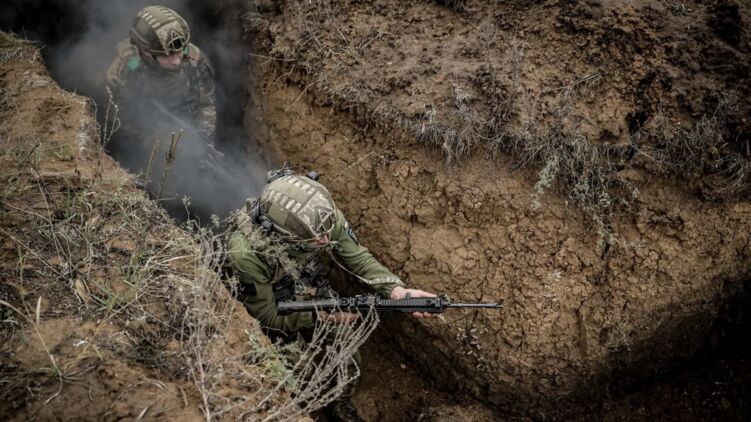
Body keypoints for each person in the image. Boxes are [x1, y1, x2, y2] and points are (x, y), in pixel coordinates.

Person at [227, 170, 435, 422]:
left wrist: (397, 290)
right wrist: (320, 315)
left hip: (305, 283)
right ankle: (306, 408)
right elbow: (266, 316)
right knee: (299, 371)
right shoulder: (245, 254)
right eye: (318, 238)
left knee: (347, 345)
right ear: (284, 236)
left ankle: (340, 402)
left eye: (328, 230)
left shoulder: (320, 217)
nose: (327, 238)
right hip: (274, 304)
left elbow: (358, 258)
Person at [105, 5, 216, 145]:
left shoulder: (195, 60)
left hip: (187, 126)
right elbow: (120, 120)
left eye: (180, 51)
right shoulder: (125, 70)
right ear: (146, 52)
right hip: (144, 136)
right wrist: (155, 140)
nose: (177, 61)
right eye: (167, 55)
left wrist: (204, 138)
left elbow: (206, 105)